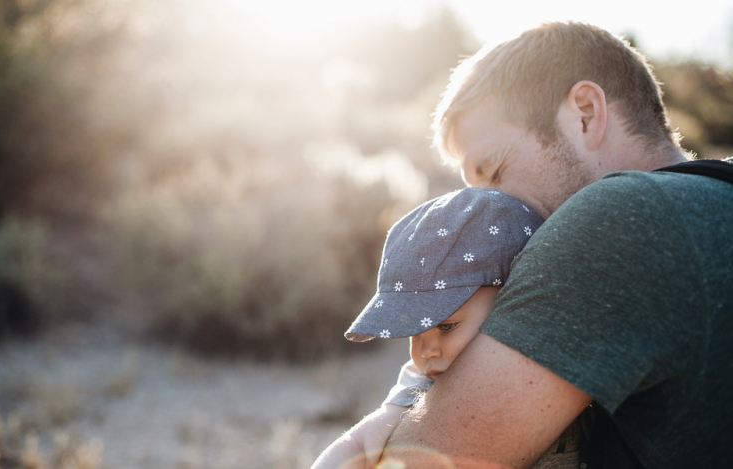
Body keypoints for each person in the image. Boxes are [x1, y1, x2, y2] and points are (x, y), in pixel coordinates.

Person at [375, 21, 733, 469]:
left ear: (585, 112)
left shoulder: (615, 220)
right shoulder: (714, 200)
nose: (487, 208)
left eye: (495, 171)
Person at [311, 187, 586, 469]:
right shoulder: (424, 383)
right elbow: (358, 443)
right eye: (416, 333)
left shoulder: (564, 348)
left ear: (511, 299)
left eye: (446, 326)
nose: (426, 352)